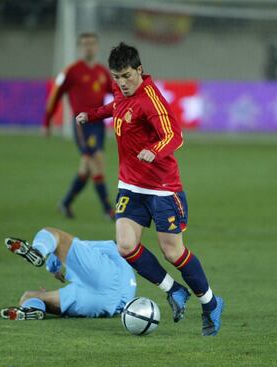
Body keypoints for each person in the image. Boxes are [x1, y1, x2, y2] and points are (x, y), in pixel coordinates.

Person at [76, 42, 224, 336]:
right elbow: (117, 106)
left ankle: (210, 303)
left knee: (172, 251)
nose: (122, 83)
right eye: (117, 77)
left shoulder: (151, 99)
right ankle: (174, 291)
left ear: (139, 70)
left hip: (162, 188)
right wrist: (92, 115)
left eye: (127, 76)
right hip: (131, 185)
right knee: (126, 246)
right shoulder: (122, 92)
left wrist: (154, 150)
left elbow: (175, 135)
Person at [44, 33, 114, 220]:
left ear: (97, 47)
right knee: (96, 161)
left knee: (87, 168)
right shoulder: (71, 71)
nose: (88, 47)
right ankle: (108, 209)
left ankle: (65, 203)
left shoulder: (101, 72)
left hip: (98, 124)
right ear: (80, 48)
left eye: (91, 44)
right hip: (82, 124)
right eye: (85, 44)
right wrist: (47, 120)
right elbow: (56, 94)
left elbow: (116, 91)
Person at [0, 227, 136, 320]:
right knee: (28, 296)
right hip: (107, 306)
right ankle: (34, 310)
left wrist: (52, 268)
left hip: (104, 281)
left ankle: (39, 250)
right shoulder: (127, 268)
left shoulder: (108, 246)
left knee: (54, 235)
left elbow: (65, 248)